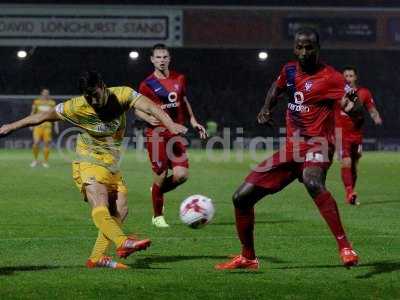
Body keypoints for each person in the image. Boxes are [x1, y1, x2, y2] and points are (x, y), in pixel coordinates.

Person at [0, 71, 187, 269]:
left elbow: (150, 106)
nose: (93, 101)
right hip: (87, 159)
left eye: (95, 95)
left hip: (112, 162)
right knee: (100, 201)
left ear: (103, 87)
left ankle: (97, 257)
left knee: (120, 210)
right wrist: (12, 126)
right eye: (89, 97)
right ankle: (122, 242)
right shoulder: (77, 106)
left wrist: (170, 123)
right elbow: (43, 116)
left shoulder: (122, 94)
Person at [215, 28, 360, 270]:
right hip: (292, 148)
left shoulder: (332, 77)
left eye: (309, 47)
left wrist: (353, 106)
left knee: (312, 181)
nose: (304, 52)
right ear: (294, 49)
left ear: (318, 49)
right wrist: (265, 108)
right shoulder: (289, 70)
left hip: (319, 144)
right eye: (300, 47)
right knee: (241, 198)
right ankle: (248, 257)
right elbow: (277, 87)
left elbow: (351, 104)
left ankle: (345, 247)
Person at [135, 44, 207, 228]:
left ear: (169, 58)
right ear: (152, 60)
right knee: (161, 173)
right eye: (158, 57)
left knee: (182, 175)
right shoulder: (147, 84)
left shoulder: (179, 78)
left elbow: (183, 101)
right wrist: (147, 118)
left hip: (175, 134)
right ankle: (157, 216)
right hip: (157, 134)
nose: (161, 60)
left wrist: (193, 121)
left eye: (164, 57)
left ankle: (157, 191)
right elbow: (137, 109)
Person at [336, 66, 383, 205]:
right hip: (340, 133)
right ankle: (350, 192)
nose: (348, 78)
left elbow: (372, 109)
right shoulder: (337, 92)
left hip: (356, 134)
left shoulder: (364, 93)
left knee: (354, 165)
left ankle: (351, 192)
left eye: (351, 76)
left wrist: (376, 117)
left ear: (355, 77)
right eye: (346, 76)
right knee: (346, 161)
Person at [30, 88, 59, 168]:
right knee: (36, 142)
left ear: (48, 94)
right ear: (41, 94)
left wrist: (56, 125)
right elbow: (32, 113)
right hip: (37, 125)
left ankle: (45, 162)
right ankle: (35, 160)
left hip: (47, 126)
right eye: (44, 93)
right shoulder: (36, 102)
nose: (46, 94)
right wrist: (30, 124)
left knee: (46, 143)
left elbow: (54, 115)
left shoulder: (52, 103)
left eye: (47, 93)